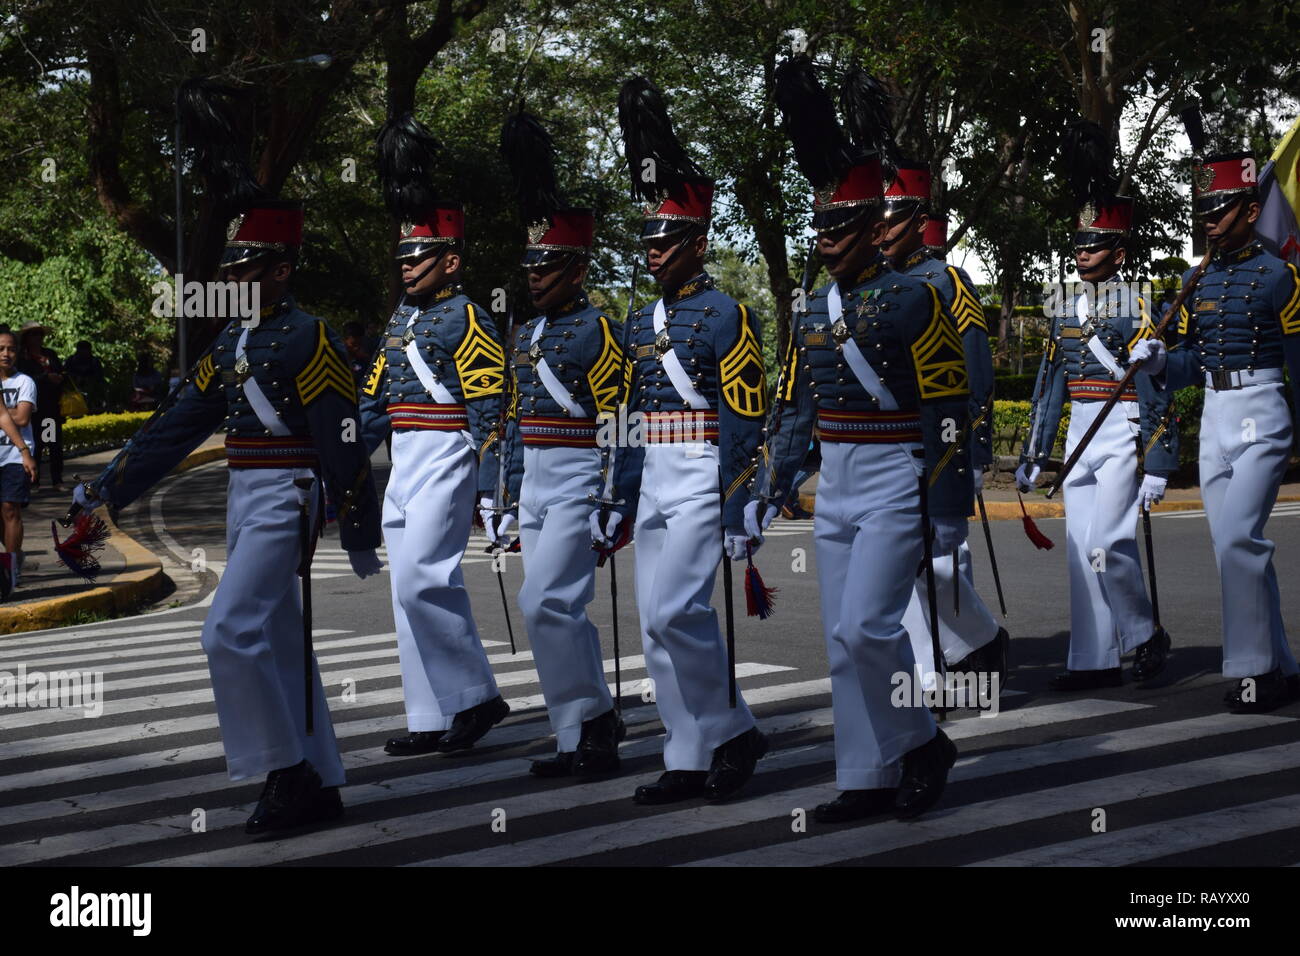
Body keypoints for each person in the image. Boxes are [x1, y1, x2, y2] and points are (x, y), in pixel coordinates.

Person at [70, 198, 384, 833]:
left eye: (247, 268)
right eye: (232, 268)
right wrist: (107, 487)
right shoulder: (231, 344)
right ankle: (320, 780)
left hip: (289, 495)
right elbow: (175, 426)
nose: (234, 279)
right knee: (278, 640)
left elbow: (340, 434)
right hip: (244, 494)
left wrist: (355, 526)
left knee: (227, 631)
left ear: (280, 270)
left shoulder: (309, 335)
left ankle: (284, 769)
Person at [748, 57, 969, 824]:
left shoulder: (912, 298)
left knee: (866, 626)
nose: (827, 240)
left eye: (840, 227)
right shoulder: (813, 309)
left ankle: (921, 743)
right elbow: (798, 414)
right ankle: (865, 775)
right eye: (820, 227)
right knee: (841, 644)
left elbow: (948, 408)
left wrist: (948, 507)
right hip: (834, 477)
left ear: (874, 227)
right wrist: (772, 490)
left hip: (893, 473)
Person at [593, 77, 769, 805]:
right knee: (652, 626)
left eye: (665, 242)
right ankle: (688, 751)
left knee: (677, 612)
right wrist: (617, 497)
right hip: (655, 472)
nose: (652, 253)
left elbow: (743, 416)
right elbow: (630, 419)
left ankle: (733, 730)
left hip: (701, 468)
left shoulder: (728, 315)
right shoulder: (638, 323)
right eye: (647, 242)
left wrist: (740, 503)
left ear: (698, 243)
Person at [359, 113, 510, 757]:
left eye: (419, 256)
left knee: (425, 576)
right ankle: (429, 714)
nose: (407, 265)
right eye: (402, 255)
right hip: (403, 458)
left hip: (449, 452)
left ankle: (476, 699)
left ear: (450, 259)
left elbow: (490, 404)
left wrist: (491, 486)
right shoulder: (400, 319)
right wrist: (336, 465)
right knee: (405, 588)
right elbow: (373, 399)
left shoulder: (465, 313)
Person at [1133, 146, 1300, 712]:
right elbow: (1191, 362)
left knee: (1237, 541)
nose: (1208, 218)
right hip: (1214, 413)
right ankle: (1283, 664)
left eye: (1220, 207)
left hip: (1263, 411)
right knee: (1234, 549)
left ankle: (1256, 674)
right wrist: (1160, 362)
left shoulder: (1281, 276)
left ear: (1251, 210)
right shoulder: (1195, 279)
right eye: (1202, 207)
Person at [1016, 123, 1176, 690]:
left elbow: (1158, 390)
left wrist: (1159, 462)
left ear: (1119, 251)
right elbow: (1048, 386)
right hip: (1081, 429)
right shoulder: (1062, 306)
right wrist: (1037, 450)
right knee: (1081, 550)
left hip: (1123, 428)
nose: (1084, 254)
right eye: (1079, 246)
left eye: (1095, 245)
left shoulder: (1140, 304)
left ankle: (1144, 633)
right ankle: (1093, 660)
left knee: (1110, 541)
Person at [496, 110, 627, 779]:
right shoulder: (525, 335)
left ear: (576, 269)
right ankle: (578, 729)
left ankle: (595, 724)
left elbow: (617, 418)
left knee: (549, 600)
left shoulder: (597, 331)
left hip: (580, 474)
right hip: (541, 479)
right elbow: (516, 419)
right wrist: (509, 494)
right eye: (529, 265)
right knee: (536, 602)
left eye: (546, 266)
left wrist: (612, 496)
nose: (533, 276)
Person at [879, 161, 1010, 692]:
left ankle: (962, 654)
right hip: (892, 446)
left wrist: (972, 452)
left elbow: (974, 373)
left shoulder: (945, 280)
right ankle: (937, 664)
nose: (882, 231)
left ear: (917, 220)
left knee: (941, 559)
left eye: (892, 220)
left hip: (938, 442)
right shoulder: (877, 284)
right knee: (903, 566)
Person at [0, 330, 39, 591]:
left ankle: (9, 570)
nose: (6, 354)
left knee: (10, 509)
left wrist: (25, 452)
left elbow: (22, 418)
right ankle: (13, 557)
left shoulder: (25, 382)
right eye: (1, 348)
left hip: (14, 456)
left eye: (11, 349)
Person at [17, 321, 64, 491]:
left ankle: (57, 480)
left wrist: (58, 377)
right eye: (33, 334)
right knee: (34, 445)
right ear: (26, 338)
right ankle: (33, 481)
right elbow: (23, 380)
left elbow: (62, 372)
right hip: (31, 409)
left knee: (52, 442)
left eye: (40, 334)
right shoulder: (22, 358)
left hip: (50, 408)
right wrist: (45, 377)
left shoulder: (49, 354)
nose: (38, 338)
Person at [64, 340, 106, 413]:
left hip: (91, 393)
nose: (84, 352)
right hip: (74, 392)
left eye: (86, 349)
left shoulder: (94, 361)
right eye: (82, 349)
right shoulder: (71, 360)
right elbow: (65, 374)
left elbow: (99, 377)